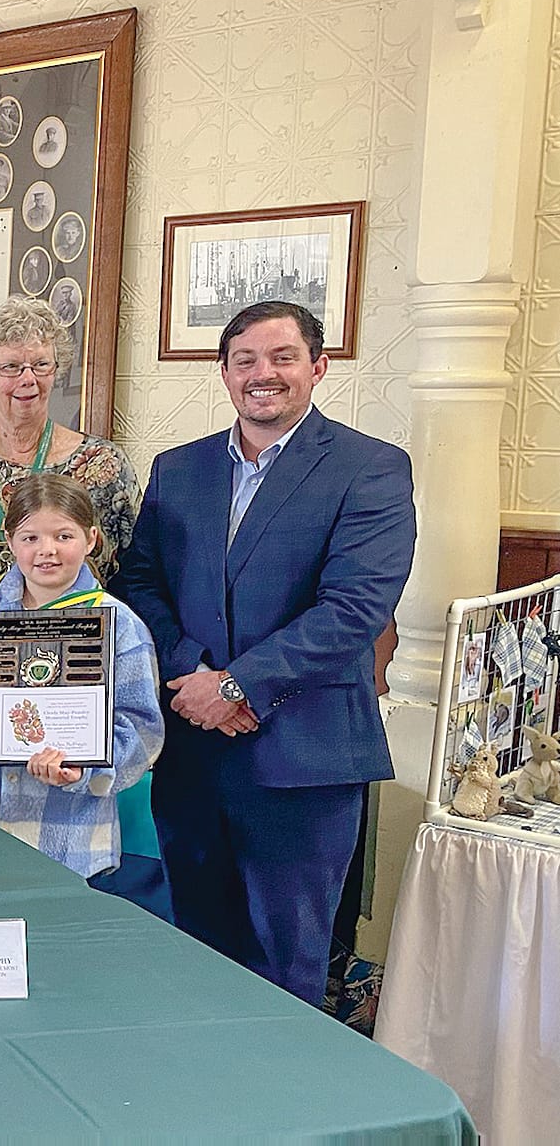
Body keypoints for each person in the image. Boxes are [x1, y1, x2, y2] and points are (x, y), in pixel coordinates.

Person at [110, 300, 417, 1007]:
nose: (262, 374)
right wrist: (194, 677)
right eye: (244, 360)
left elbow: (352, 611)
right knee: (194, 947)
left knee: (287, 961)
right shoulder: (178, 469)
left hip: (301, 760)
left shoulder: (369, 468)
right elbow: (140, 584)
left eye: (281, 358)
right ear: (221, 373)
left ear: (318, 366)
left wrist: (237, 688)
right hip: (190, 747)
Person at [0, 475, 163, 893]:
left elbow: (141, 731)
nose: (46, 550)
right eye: (30, 537)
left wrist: (83, 769)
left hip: (67, 840)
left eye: (63, 535)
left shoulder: (120, 626)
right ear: (10, 541)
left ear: (91, 539)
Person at [0, 296, 139, 630]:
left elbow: (136, 580)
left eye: (41, 365)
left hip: (75, 659)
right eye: (11, 367)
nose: (28, 379)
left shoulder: (104, 466)